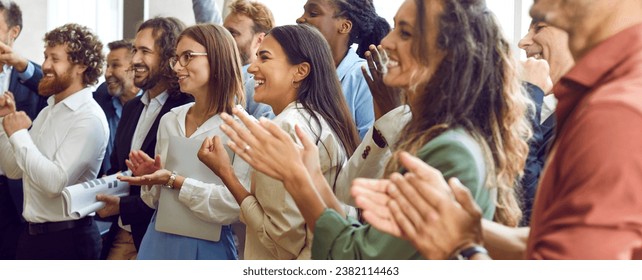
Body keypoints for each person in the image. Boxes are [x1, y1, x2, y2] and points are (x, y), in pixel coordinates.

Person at [220, 0, 531, 260]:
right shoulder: (433, 134)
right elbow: (356, 219)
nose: (386, 42)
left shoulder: (448, 149)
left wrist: (298, 178)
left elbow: (358, 258)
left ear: (447, 54)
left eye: (405, 33)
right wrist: (311, 176)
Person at [361, 0, 642, 260]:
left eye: (407, 33)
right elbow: (556, 242)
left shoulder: (617, 111)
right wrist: (470, 229)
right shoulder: (607, 94)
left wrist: (465, 249)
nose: (522, 40)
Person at [198, 24, 360, 259]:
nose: (252, 68)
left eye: (265, 58)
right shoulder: (319, 119)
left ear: (300, 71)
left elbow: (281, 245)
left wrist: (227, 174)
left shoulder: (286, 127)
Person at [118, 24, 249, 260]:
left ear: (218, 59)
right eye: (176, 59)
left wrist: (175, 181)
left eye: (187, 57)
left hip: (211, 248)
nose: (177, 67)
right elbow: (154, 201)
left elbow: (235, 207)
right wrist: (152, 179)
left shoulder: (243, 128)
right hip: (157, 241)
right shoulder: (170, 119)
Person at [0, 23, 107, 259]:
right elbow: (13, 170)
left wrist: (19, 135)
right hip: (31, 237)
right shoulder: (49, 111)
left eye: (54, 59)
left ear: (81, 66)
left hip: (68, 242)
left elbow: (54, 183)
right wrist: (5, 122)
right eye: (45, 56)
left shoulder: (89, 117)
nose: (45, 65)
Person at [96, 17, 193, 260]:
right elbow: (119, 168)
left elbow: (180, 188)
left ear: (170, 57)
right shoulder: (132, 109)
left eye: (145, 51)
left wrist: (123, 207)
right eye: (134, 50)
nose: (135, 60)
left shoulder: (186, 109)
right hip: (122, 231)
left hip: (163, 239)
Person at [297, 0, 390, 139]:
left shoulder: (364, 76)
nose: (299, 19)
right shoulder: (298, 73)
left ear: (345, 26)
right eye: (304, 11)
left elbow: (370, 149)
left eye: (313, 13)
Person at [0, 0, 47, 260]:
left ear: (13, 32)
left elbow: (52, 90)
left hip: (17, 187)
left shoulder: (29, 74)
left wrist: (22, 66)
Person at [517, 20, 574, 225]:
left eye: (539, 27)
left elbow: (531, 216)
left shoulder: (599, 115)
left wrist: (529, 94)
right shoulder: (552, 107)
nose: (522, 42)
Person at [93, 40, 141, 177]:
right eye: (107, 66)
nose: (107, 73)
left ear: (134, 68)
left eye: (115, 65)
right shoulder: (101, 98)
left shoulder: (151, 106)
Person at [223, 0, 274, 119]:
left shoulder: (258, 83)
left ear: (260, 40)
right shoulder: (216, 73)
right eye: (223, 32)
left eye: (232, 33)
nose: (223, 39)